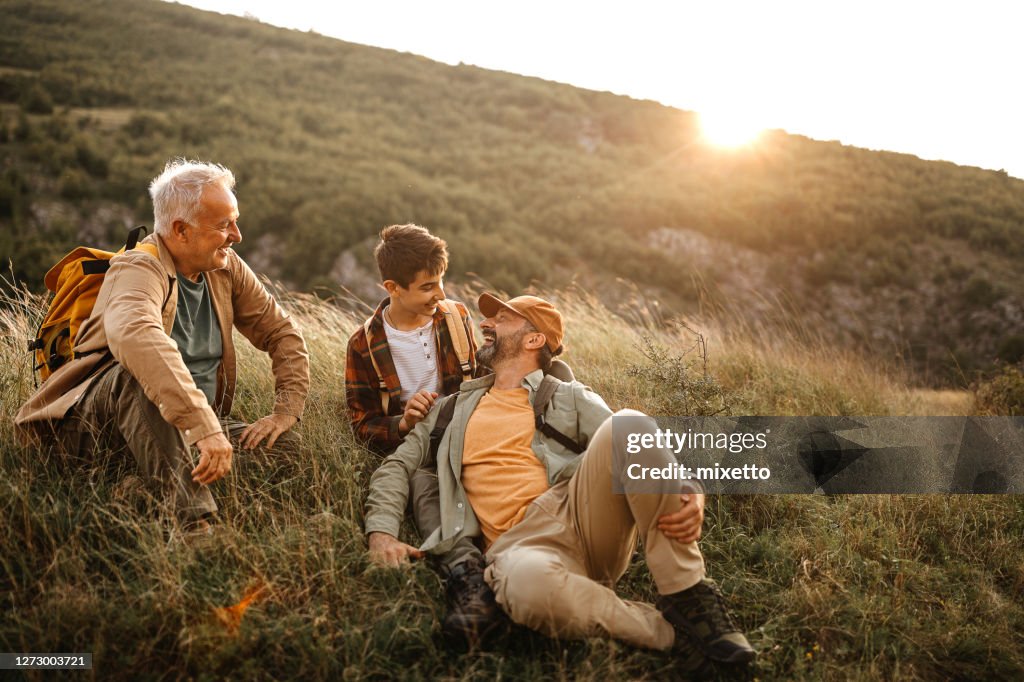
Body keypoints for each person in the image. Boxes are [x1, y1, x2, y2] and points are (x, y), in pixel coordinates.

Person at [364, 293, 756, 671]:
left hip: (580, 514)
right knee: (525, 590)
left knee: (629, 423)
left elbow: (635, 445)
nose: (485, 324)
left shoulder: (568, 396)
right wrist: (381, 532)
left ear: (534, 339)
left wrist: (687, 484)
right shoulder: (450, 409)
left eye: (501, 319)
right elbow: (396, 467)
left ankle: (688, 593)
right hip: (516, 549)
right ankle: (674, 635)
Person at [15, 159, 310, 539]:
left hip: (181, 429)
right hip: (97, 428)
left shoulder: (225, 267)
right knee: (138, 373)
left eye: (235, 221)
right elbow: (136, 336)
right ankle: (195, 526)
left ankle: (141, 489)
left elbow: (282, 332)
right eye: (223, 225)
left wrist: (284, 412)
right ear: (180, 230)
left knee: (283, 447)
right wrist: (204, 427)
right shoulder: (138, 268)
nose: (237, 234)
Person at [345, 224, 500, 641]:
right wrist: (402, 423)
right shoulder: (364, 344)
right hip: (422, 445)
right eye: (428, 287)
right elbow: (362, 424)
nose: (440, 295)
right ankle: (467, 579)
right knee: (423, 487)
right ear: (392, 287)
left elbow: (486, 376)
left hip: (472, 427)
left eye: (442, 282)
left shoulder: (456, 317)